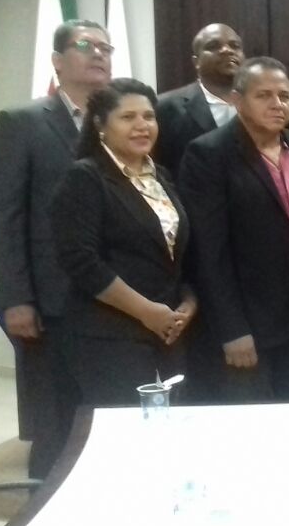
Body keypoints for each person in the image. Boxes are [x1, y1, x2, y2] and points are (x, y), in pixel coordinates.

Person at [178, 57, 289, 401]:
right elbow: (209, 252)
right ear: (238, 100)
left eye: (284, 96)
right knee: (253, 423)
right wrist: (232, 328)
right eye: (264, 95)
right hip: (249, 323)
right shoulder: (208, 154)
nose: (277, 104)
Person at [0, 20, 111, 478]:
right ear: (57, 61)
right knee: (55, 418)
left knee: (104, 410)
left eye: (106, 48)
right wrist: (17, 297)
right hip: (50, 297)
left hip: (115, 295)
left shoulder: (122, 119)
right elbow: (5, 216)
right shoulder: (22, 122)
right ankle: (45, 498)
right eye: (85, 45)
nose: (98, 54)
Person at [51, 79, 197, 403]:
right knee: (124, 426)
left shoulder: (160, 176)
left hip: (167, 330)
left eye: (149, 116)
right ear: (100, 125)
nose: (142, 125)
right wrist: (146, 311)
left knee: (169, 424)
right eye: (128, 117)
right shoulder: (84, 177)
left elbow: (175, 254)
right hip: (108, 334)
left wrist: (189, 303)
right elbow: (81, 261)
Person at [154, 23, 244, 177]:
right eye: (213, 46)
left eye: (234, 46)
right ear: (196, 61)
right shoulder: (165, 107)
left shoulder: (259, 104)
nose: (227, 50)